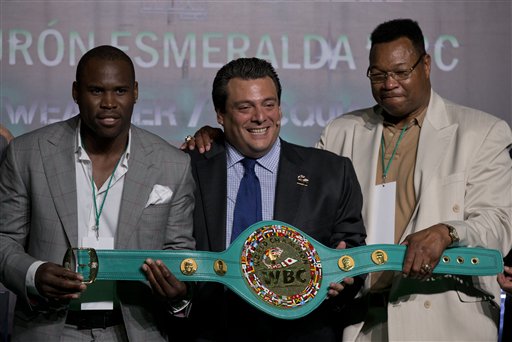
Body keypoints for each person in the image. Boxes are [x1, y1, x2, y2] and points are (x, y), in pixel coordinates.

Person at [184, 19, 512, 341]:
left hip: (440, 313)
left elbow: (498, 224)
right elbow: (296, 200)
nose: (389, 83)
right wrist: (223, 138)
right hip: (362, 318)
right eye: (378, 74)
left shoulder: (480, 132)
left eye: (401, 72)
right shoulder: (342, 131)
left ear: (425, 65)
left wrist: (449, 231)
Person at [0, 45, 195, 341]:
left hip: (133, 330)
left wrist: (178, 291)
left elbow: (179, 255)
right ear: (76, 92)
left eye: (120, 91)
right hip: (49, 328)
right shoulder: (27, 153)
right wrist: (33, 274)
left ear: (136, 93)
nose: (108, 103)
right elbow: (4, 240)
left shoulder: (173, 164)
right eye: (95, 91)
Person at [185, 57, 366, 341]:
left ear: (280, 109)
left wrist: (345, 277)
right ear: (220, 114)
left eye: (269, 105)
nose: (260, 117)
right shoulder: (188, 168)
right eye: (245, 107)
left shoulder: (331, 172)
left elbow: (352, 249)